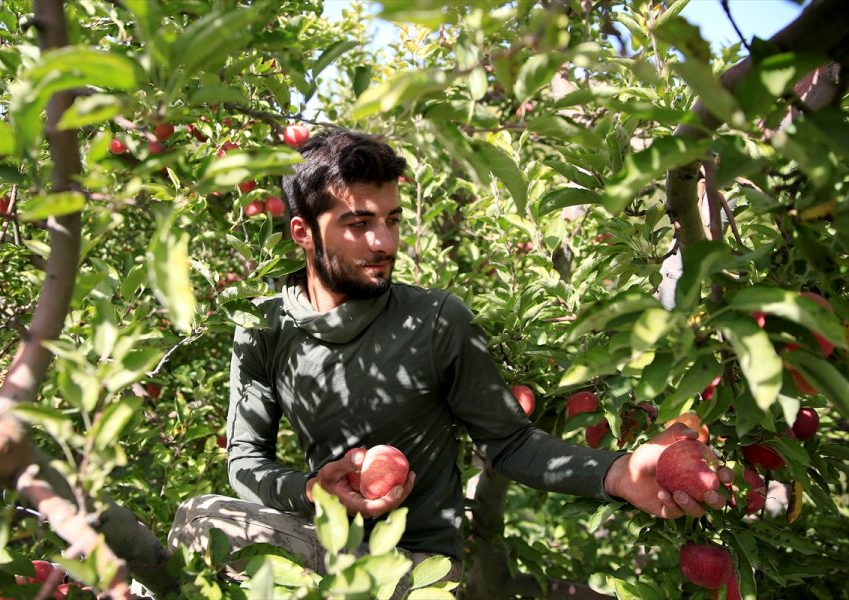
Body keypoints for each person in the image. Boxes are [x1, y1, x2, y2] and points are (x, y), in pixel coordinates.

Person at [169, 128, 730, 585]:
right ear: (303, 232)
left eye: (391, 221)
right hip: (323, 548)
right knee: (202, 520)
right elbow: (244, 462)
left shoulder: (435, 320)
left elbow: (508, 441)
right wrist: (310, 490)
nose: (384, 243)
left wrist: (616, 471)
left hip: (418, 573)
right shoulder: (263, 328)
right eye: (358, 225)